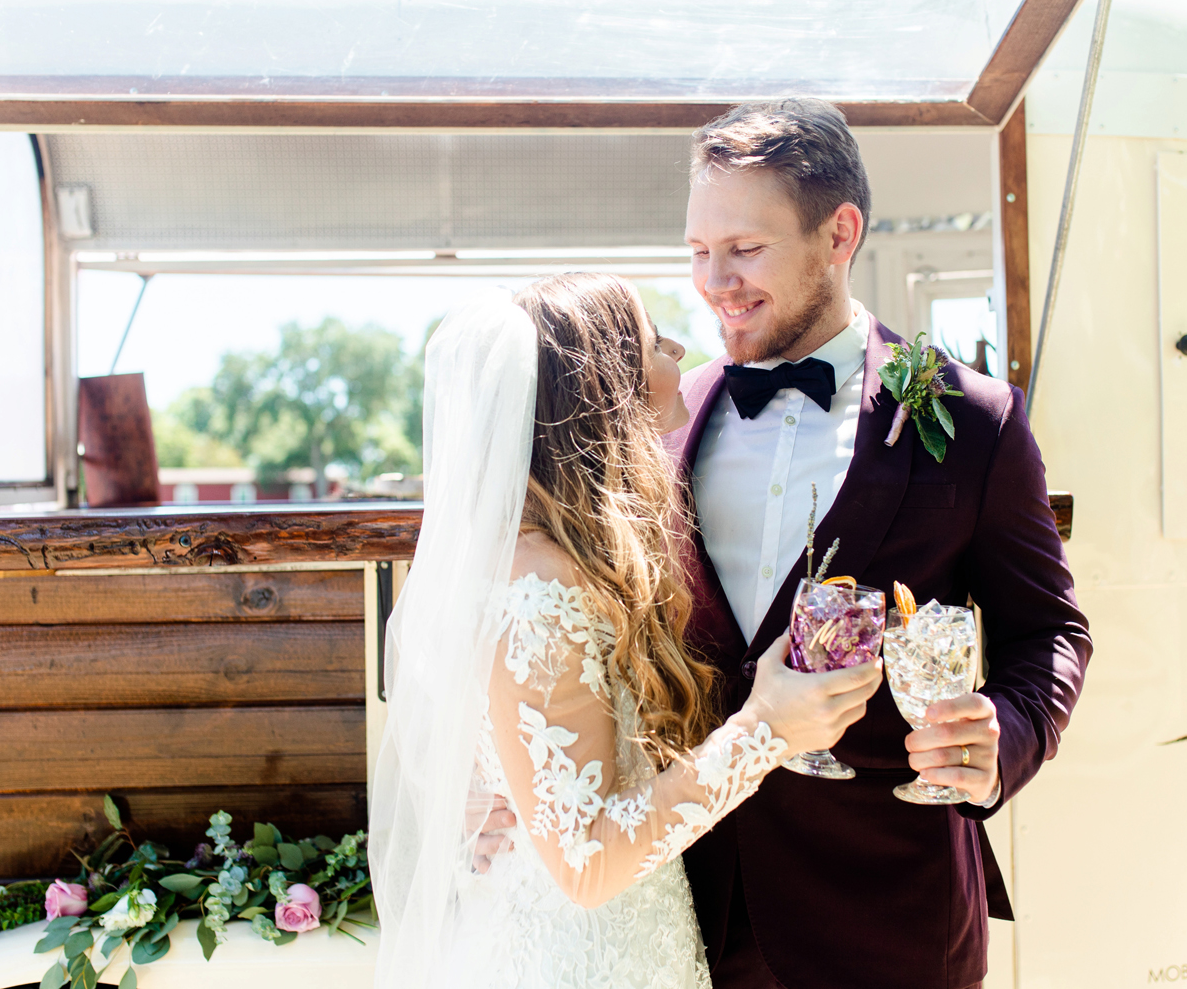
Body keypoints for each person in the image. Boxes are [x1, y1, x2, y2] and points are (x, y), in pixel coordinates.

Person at [674, 99, 1092, 989]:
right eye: (698, 251)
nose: (715, 281)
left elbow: (1050, 632)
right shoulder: (664, 415)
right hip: (685, 911)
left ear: (839, 234)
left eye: (744, 248)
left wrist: (1006, 730)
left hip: (891, 916)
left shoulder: (975, 419)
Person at [369, 273, 887, 989]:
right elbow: (586, 865)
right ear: (605, 386)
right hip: (573, 961)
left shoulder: (566, 556)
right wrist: (768, 728)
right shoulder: (539, 588)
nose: (679, 352)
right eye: (654, 342)